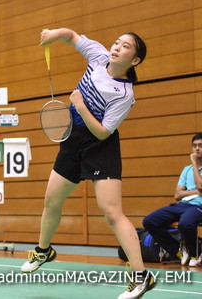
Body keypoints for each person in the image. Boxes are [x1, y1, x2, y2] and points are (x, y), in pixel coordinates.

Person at [19, 28, 152, 299]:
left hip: (100, 145)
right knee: (52, 200)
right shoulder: (98, 56)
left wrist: (79, 105)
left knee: (112, 212)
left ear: (134, 61)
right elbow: (72, 36)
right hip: (73, 139)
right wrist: (53, 34)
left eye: (125, 47)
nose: (116, 47)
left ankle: (141, 276)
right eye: (117, 42)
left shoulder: (124, 94)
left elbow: (103, 131)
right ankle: (44, 251)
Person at [143, 134, 202, 267]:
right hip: (182, 205)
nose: (197, 149)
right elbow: (177, 194)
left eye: (200, 146)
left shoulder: (191, 166)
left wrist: (194, 164)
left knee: (185, 224)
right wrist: (197, 192)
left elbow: (200, 186)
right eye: (195, 146)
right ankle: (178, 249)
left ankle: (195, 253)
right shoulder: (186, 170)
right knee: (149, 221)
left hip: (199, 206)